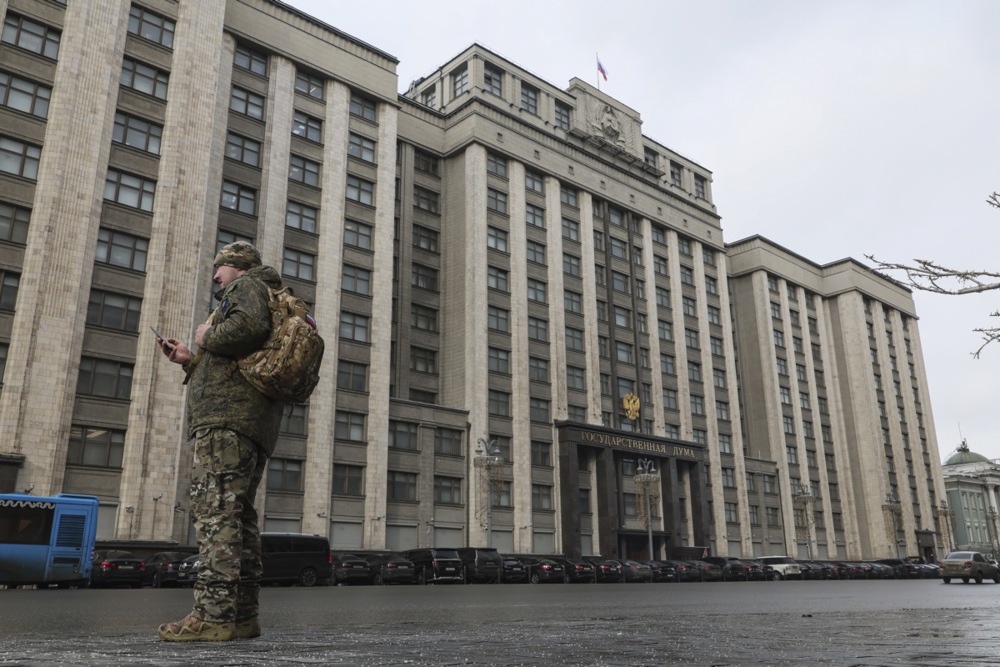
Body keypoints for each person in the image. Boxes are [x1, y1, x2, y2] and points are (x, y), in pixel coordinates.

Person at [155, 241, 285, 642]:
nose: (215, 276)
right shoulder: (263, 292)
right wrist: (189, 360)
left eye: (221, 267)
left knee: (216, 516)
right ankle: (242, 615)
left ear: (239, 267)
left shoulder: (246, 287)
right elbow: (239, 359)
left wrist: (207, 334)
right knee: (239, 517)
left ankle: (211, 616)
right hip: (248, 423)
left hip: (226, 423)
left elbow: (247, 328)